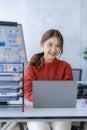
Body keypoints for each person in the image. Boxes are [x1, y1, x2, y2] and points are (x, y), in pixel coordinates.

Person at [24, 29, 73, 130]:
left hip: (60, 111)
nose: (54, 49)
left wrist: (43, 96)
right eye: (50, 45)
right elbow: (28, 92)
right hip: (37, 111)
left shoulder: (66, 66)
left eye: (58, 46)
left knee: (62, 127)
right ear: (42, 44)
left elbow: (68, 93)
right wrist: (54, 96)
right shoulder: (31, 68)